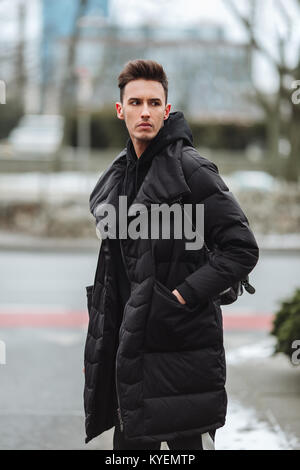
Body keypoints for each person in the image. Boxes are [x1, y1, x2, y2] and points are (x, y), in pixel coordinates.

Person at [83, 59, 259, 450]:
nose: (144, 111)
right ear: (120, 110)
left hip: (182, 351)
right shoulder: (118, 175)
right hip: (132, 351)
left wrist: (180, 296)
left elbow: (241, 249)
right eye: (135, 102)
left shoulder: (192, 170)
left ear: (166, 109)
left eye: (153, 102)